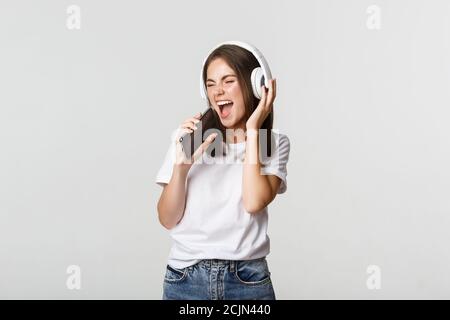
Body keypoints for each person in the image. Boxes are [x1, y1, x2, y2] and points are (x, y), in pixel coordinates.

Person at [155, 41, 290, 300]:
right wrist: (181, 168)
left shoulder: (272, 143)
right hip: (185, 280)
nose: (218, 91)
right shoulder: (188, 139)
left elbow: (253, 202)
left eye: (228, 81)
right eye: (210, 84)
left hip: (248, 279)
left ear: (255, 86)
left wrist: (253, 131)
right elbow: (167, 219)